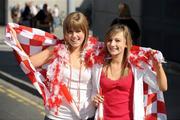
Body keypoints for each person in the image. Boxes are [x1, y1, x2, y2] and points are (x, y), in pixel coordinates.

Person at [7, 12, 98, 120]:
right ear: (65, 33)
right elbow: (28, 64)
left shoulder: (95, 52)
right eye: (70, 32)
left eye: (78, 31)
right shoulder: (56, 49)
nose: (74, 36)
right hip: (58, 115)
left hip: (87, 115)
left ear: (86, 32)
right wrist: (16, 39)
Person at [92, 24, 168, 120]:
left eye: (117, 40)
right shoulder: (98, 66)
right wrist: (94, 98)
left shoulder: (137, 66)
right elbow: (93, 91)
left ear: (126, 44)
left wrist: (158, 65)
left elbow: (162, 87)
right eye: (110, 40)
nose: (112, 44)